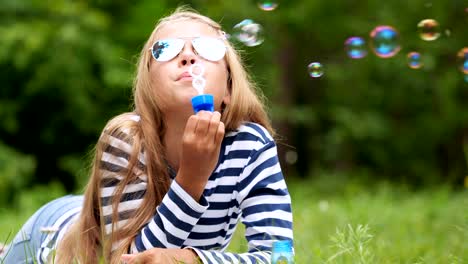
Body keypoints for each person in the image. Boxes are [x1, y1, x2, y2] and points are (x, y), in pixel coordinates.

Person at [0, 7, 294, 264]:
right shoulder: (126, 138)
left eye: (207, 48)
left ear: (229, 89)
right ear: (148, 86)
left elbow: (279, 257)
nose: (188, 56)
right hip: (55, 240)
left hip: (112, 218)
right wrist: (191, 179)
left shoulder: (251, 145)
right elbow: (127, 261)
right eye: (166, 49)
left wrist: (192, 259)